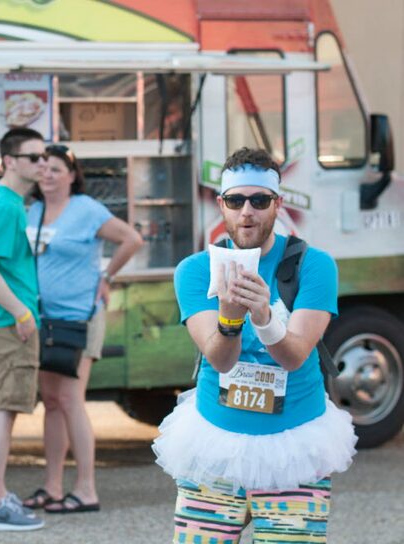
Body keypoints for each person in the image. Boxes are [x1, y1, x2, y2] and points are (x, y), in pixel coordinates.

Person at [153, 148, 357, 543]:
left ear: (277, 205)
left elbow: (295, 355)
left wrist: (264, 317)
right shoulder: (195, 270)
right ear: (221, 206)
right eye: (236, 200)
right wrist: (230, 317)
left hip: (295, 442)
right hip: (215, 439)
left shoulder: (314, 265)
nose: (247, 211)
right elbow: (219, 359)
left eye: (260, 200)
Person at [22, 144, 143, 514]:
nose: (47, 174)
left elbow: (131, 239)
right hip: (45, 318)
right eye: (43, 168)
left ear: (72, 175)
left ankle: (86, 488)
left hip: (81, 317)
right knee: (52, 402)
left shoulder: (87, 209)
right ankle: (53, 486)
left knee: (72, 399)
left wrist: (106, 276)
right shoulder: (35, 210)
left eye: (56, 169)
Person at [0, 127, 45, 532]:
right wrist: (20, 312)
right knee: (4, 406)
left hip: (0, 318)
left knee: (5, 405)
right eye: (33, 157)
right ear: (10, 161)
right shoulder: (6, 206)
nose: (42, 163)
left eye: (43, 156)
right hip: (7, 321)